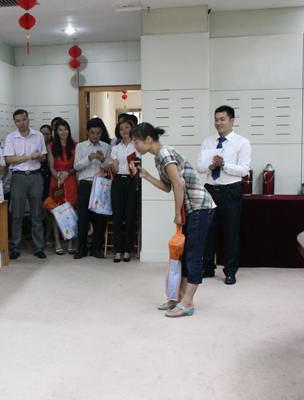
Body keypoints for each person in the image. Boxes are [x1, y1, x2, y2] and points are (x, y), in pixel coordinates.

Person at [131, 123, 215, 317]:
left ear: (148, 139)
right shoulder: (158, 158)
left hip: (199, 207)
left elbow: (178, 185)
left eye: (136, 141)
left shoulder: (165, 153)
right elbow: (167, 186)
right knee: (184, 255)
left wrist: (177, 213)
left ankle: (188, 302)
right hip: (191, 209)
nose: (135, 146)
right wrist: (146, 176)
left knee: (193, 255)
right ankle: (179, 296)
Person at [196, 105, 251, 285]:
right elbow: (200, 167)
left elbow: (243, 170)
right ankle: (207, 267)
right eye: (216, 119)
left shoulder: (242, 142)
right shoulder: (208, 142)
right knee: (208, 231)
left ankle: (230, 270)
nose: (218, 123)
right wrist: (210, 166)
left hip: (230, 190)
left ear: (232, 121)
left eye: (222, 119)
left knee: (231, 232)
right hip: (210, 189)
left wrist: (224, 165)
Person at [4, 109, 48, 260]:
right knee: (17, 215)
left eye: (23, 119)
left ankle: (38, 247)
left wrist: (38, 156)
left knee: (37, 214)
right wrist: (29, 157)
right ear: (15, 123)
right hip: (18, 178)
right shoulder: (11, 137)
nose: (21, 123)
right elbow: (9, 159)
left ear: (28, 120)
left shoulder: (38, 136)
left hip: (35, 176)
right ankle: (16, 247)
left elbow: (43, 158)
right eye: (18, 120)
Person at [73, 117, 112, 259]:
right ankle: (82, 248)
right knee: (83, 218)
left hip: (100, 186)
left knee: (99, 218)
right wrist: (88, 159)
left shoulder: (106, 147)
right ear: (88, 132)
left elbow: (109, 168)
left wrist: (103, 161)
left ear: (101, 133)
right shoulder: (81, 146)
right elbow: (76, 166)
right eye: (92, 132)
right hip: (85, 184)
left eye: (98, 133)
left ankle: (96, 248)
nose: (95, 135)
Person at [106, 118, 140, 262]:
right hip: (118, 181)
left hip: (132, 181)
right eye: (121, 129)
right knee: (117, 215)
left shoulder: (137, 146)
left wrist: (135, 166)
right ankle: (118, 250)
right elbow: (115, 170)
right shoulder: (115, 148)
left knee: (130, 215)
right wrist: (112, 163)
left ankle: (127, 250)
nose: (124, 130)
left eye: (127, 127)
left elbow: (140, 166)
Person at [47, 119, 78, 254]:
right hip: (57, 181)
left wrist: (67, 174)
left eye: (65, 129)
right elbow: (51, 166)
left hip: (70, 179)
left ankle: (71, 242)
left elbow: (77, 166)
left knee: (71, 211)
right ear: (56, 132)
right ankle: (58, 243)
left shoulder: (76, 145)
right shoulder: (51, 146)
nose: (63, 132)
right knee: (57, 211)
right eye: (60, 130)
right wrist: (58, 177)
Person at [39, 124, 55, 247]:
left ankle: (48, 236)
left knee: (50, 209)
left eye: (47, 133)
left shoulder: (54, 146)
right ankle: (39, 237)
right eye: (42, 133)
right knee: (38, 209)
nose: (45, 136)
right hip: (38, 178)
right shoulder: (35, 144)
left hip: (51, 178)